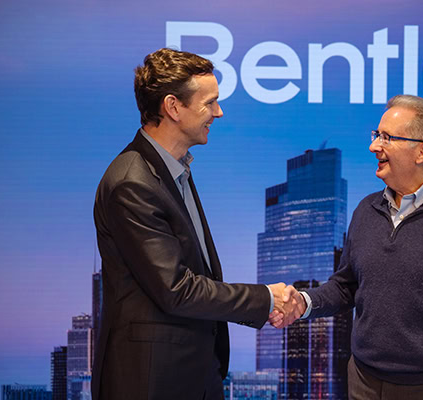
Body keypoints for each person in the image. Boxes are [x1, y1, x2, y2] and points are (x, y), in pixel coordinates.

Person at [93, 48, 296, 400]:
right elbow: (176, 289)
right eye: (209, 103)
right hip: (152, 382)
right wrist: (265, 298)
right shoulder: (133, 182)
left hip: (190, 374)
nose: (219, 112)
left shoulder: (173, 171)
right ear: (173, 107)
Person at [272, 95, 423, 400]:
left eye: (387, 138)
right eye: (376, 135)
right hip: (363, 383)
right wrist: (303, 302)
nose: (374, 146)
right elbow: (346, 286)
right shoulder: (365, 210)